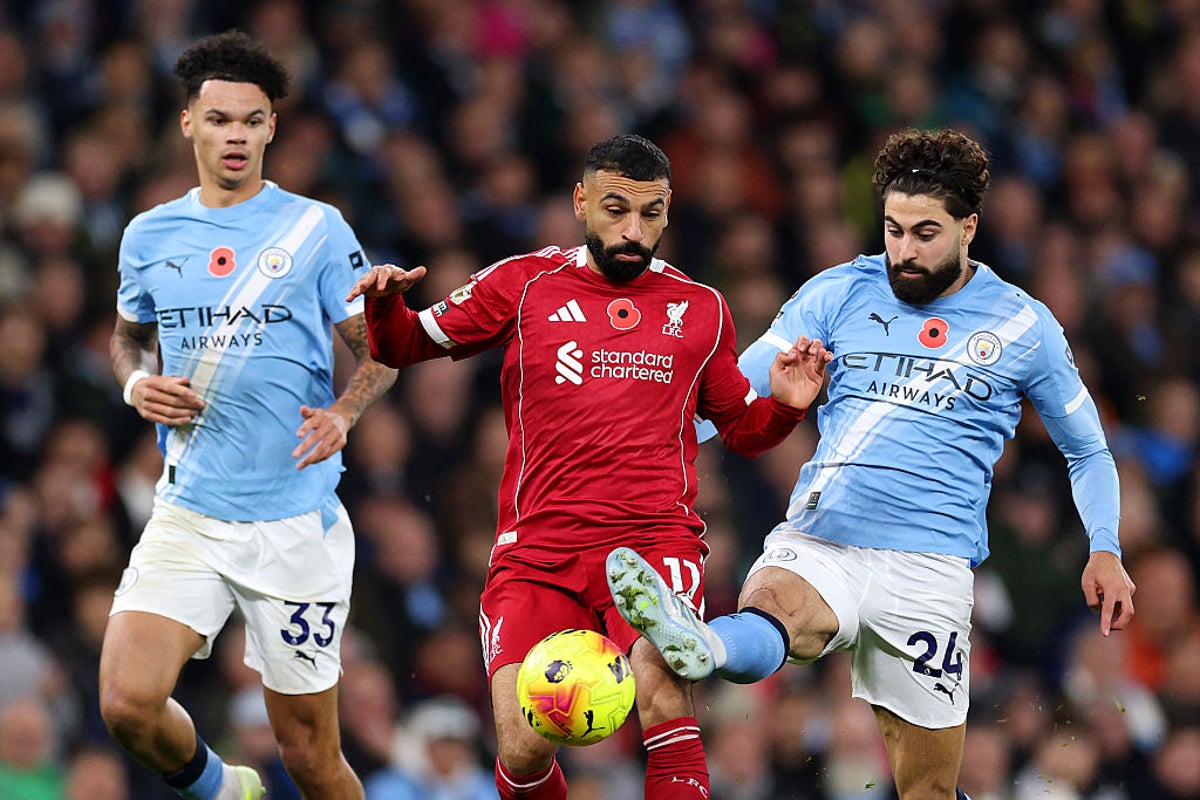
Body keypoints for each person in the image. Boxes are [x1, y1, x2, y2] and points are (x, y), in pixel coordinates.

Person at [606, 128, 1137, 800]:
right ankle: (706, 646)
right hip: (825, 536)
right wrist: (639, 450)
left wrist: (1105, 547)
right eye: (893, 230)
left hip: (930, 570)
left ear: (969, 228)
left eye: (925, 234)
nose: (904, 252)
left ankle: (713, 645)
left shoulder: (1023, 326)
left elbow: (1087, 449)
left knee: (928, 790)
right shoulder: (838, 292)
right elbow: (736, 394)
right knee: (776, 607)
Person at [347, 133, 831, 800]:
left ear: (667, 212)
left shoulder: (700, 309)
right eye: (615, 209)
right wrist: (383, 301)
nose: (634, 231)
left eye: (651, 214)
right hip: (538, 551)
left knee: (662, 685)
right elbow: (401, 343)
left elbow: (743, 432)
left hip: (652, 542)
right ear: (581, 202)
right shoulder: (524, 284)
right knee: (521, 746)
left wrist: (784, 406)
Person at [100, 31, 396, 800]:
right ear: (188, 124)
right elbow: (127, 339)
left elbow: (382, 350)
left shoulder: (315, 229)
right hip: (191, 511)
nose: (236, 135)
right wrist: (136, 385)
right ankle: (226, 790)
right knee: (126, 703)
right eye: (220, 119)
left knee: (311, 759)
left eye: (251, 121)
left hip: (294, 526)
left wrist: (345, 411)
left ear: (271, 129)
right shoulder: (149, 235)